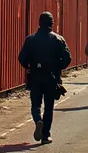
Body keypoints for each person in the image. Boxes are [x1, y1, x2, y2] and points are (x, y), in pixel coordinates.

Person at [18, 11, 71, 144]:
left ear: (39, 23)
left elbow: (21, 58)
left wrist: (29, 66)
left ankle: (38, 120)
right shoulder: (58, 39)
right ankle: (45, 135)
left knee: (35, 104)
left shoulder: (31, 39)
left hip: (35, 75)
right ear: (52, 24)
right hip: (51, 77)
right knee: (49, 106)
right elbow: (67, 58)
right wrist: (58, 67)